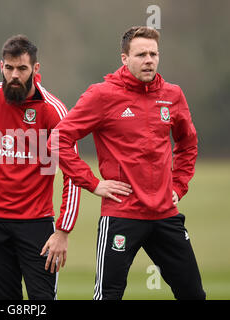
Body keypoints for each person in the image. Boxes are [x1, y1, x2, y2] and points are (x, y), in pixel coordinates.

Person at [48, 26, 206, 300]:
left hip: (166, 215)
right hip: (122, 216)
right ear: (124, 58)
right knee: (108, 296)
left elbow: (188, 143)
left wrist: (179, 186)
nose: (149, 60)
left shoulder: (172, 95)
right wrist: (93, 184)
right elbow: (58, 140)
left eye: (154, 54)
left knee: (193, 294)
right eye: (141, 54)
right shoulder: (102, 95)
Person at [0, 35, 80, 300]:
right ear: (1, 66)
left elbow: (73, 173)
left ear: (35, 69)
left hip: (36, 225)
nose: (14, 75)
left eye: (22, 69)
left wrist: (63, 231)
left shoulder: (52, 110)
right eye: (9, 68)